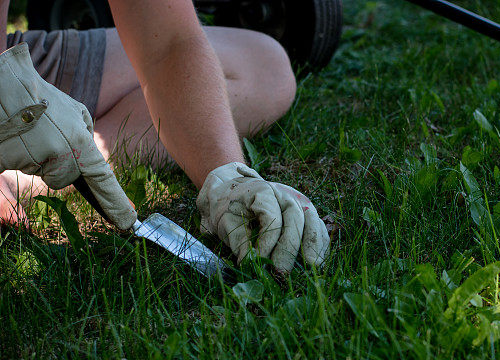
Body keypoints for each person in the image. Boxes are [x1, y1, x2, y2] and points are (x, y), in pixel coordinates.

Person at [0, 0, 330, 272]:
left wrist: (226, 175)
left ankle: (35, 172)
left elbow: (170, 44)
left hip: (12, 53)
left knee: (263, 67)